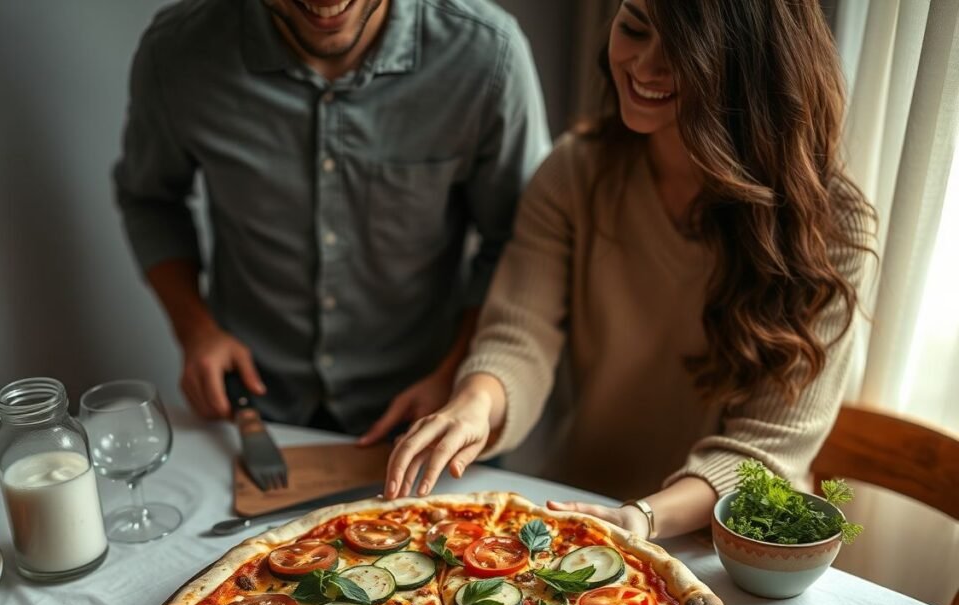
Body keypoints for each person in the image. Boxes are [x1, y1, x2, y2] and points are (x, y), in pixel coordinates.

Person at [383, 0, 875, 541]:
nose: (643, 66)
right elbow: (519, 338)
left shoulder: (832, 224)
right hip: (583, 508)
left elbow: (765, 449)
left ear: (746, 67)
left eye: (680, 52)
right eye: (634, 29)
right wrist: (474, 404)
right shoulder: (573, 173)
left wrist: (642, 516)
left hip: (733, 539)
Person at [113, 0, 550, 436]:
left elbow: (519, 242)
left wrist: (457, 373)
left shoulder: (487, 55)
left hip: (430, 404)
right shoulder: (176, 52)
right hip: (256, 406)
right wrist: (196, 329)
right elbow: (150, 200)